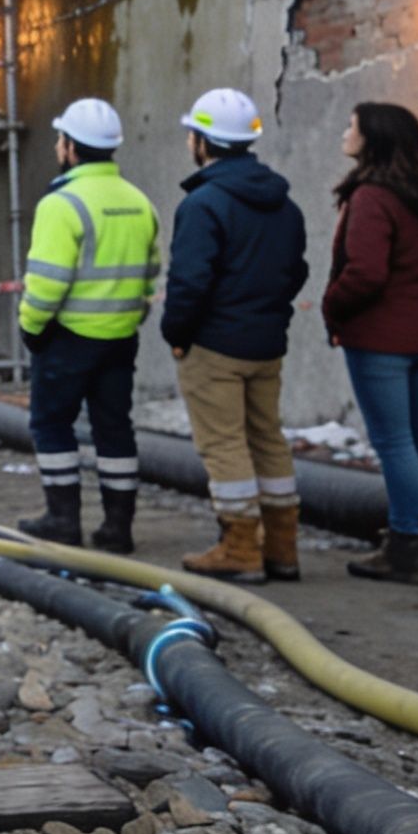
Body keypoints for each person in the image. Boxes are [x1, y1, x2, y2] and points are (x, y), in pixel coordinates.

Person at [157, 89, 311, 582]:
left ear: (202, 141)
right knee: (267, 438)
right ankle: (283, 547)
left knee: (223, 444)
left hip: (214, 345)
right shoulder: (284, 205)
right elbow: (296, 271)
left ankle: (241, 548)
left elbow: (189, 282)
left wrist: (176, 333)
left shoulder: (203, 204)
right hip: (266, 344)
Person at [324, 102, 418, 586]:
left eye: (352, 126)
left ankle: (404, 548)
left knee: (394, 442)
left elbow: (365, 272)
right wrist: (417, 294)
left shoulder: (372, 196)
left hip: (380, 336)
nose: (346, 133)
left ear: (373, 139)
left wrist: (332, 305)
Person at [16, 97, 160, 552]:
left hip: (68, 338)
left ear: (69, 147)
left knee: (51, 424)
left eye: (61, 139)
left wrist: (31, 326)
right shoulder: (140, 202)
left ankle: (63, 520)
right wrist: (132, 315)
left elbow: (47, 281)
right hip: (120, 338)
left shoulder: (61, 204)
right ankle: (118, 529)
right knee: (114, 428)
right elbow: (150, 272)